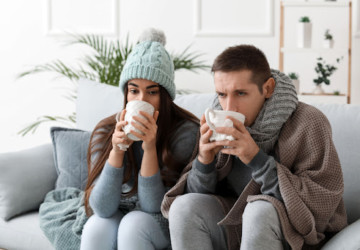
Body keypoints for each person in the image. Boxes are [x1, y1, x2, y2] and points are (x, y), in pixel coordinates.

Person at [161, 44, 347, 250]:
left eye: (240, 93)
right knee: (184, 207)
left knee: (259, 210)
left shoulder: (308, 122)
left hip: (291, 232)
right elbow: (198, 195)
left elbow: (320, 203)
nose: (229, 107)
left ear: (268, 88)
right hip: (235, 225)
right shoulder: (215, 120)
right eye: (222, 94)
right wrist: (204, 162)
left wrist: (256, 159)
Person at [81, 28, 199, 250]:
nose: (141, 99)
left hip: (160, 218)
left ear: (165, 96)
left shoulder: (185, 132)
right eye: (134, 91)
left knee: (133, 224)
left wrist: (150, 148)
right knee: (97, 226)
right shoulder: (107, 130)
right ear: (125, 93)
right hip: (118, 209)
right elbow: (102, 208)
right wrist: (117, 150)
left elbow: (153, 206)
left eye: (152, 92)